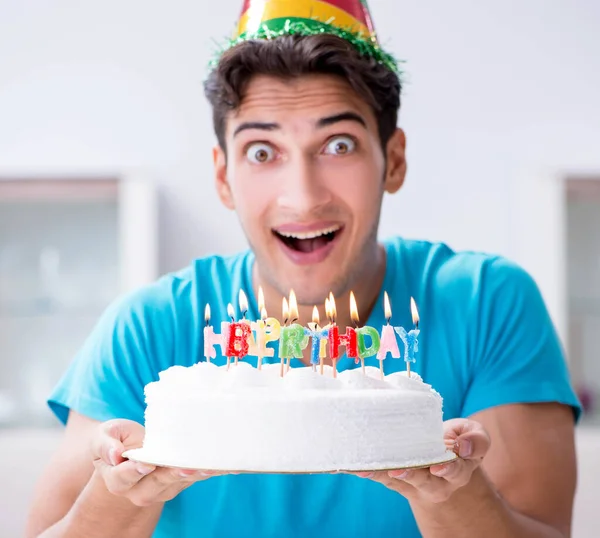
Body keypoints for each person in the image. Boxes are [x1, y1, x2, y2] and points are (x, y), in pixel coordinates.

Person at [27, 1, 580, 537]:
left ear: (395, 159)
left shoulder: (487, 303)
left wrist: (452, 491)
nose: (303, 198)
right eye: (263, 152)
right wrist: (120, 493)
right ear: (223, 176)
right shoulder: (147, 329)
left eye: (338, 145)